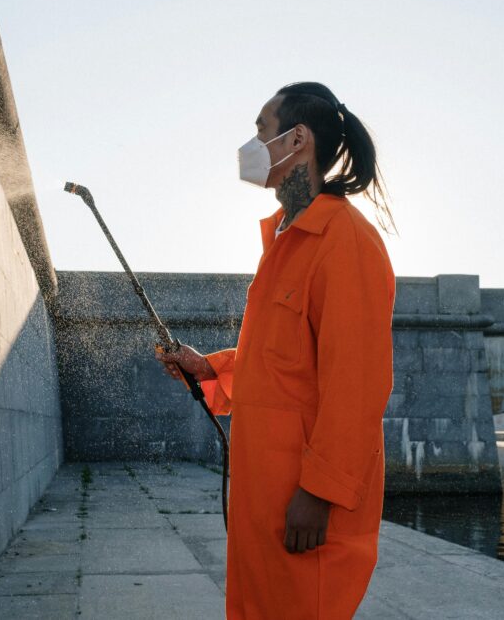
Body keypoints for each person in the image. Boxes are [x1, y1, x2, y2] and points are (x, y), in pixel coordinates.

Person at [155, 81, 398, 619]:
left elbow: (356, 383)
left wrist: (319, 493)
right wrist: (207, 370)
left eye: (262, 129)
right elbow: (276, 366)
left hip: (303, 510)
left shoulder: (346, 241)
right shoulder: (285, 242)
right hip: (262, 503)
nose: (252, 143)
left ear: (297, 139)